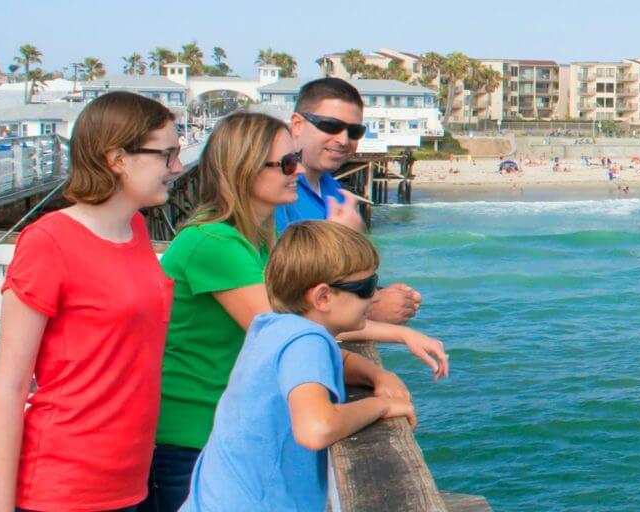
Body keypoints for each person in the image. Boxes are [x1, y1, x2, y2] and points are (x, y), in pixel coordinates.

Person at [142, 113, 447, 512]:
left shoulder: (256, 244)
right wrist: (382, 391)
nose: (298, 170)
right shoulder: (214, 244)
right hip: (193, 434)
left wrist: (377, 370)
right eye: (286, 164)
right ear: (243, 170)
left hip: (227, 435)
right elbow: (289, 335)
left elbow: (297, 333)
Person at [0, 91, 183, 511]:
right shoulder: (48, 242)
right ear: (117, 159)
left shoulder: (135, 229)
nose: (178, 168)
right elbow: (10, 387)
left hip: (130, 479)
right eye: (167, 155)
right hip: (63, 485)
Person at [180, 221, 419, 512]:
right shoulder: (306, 341)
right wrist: (381, 406)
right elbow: (316, 428)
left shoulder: (273, 327)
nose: (375, 296)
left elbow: (334, 360)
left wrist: (377, 374)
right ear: (323, 297)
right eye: (367, 287)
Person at [275, 78, 421, 325]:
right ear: (297, 125)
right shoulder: (276, 192)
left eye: (354, 132)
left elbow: (338, 277)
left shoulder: (333, 189)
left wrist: (374, 292)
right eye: (330, 126)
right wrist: (371, 309)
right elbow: (277, 293)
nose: (343, 140)